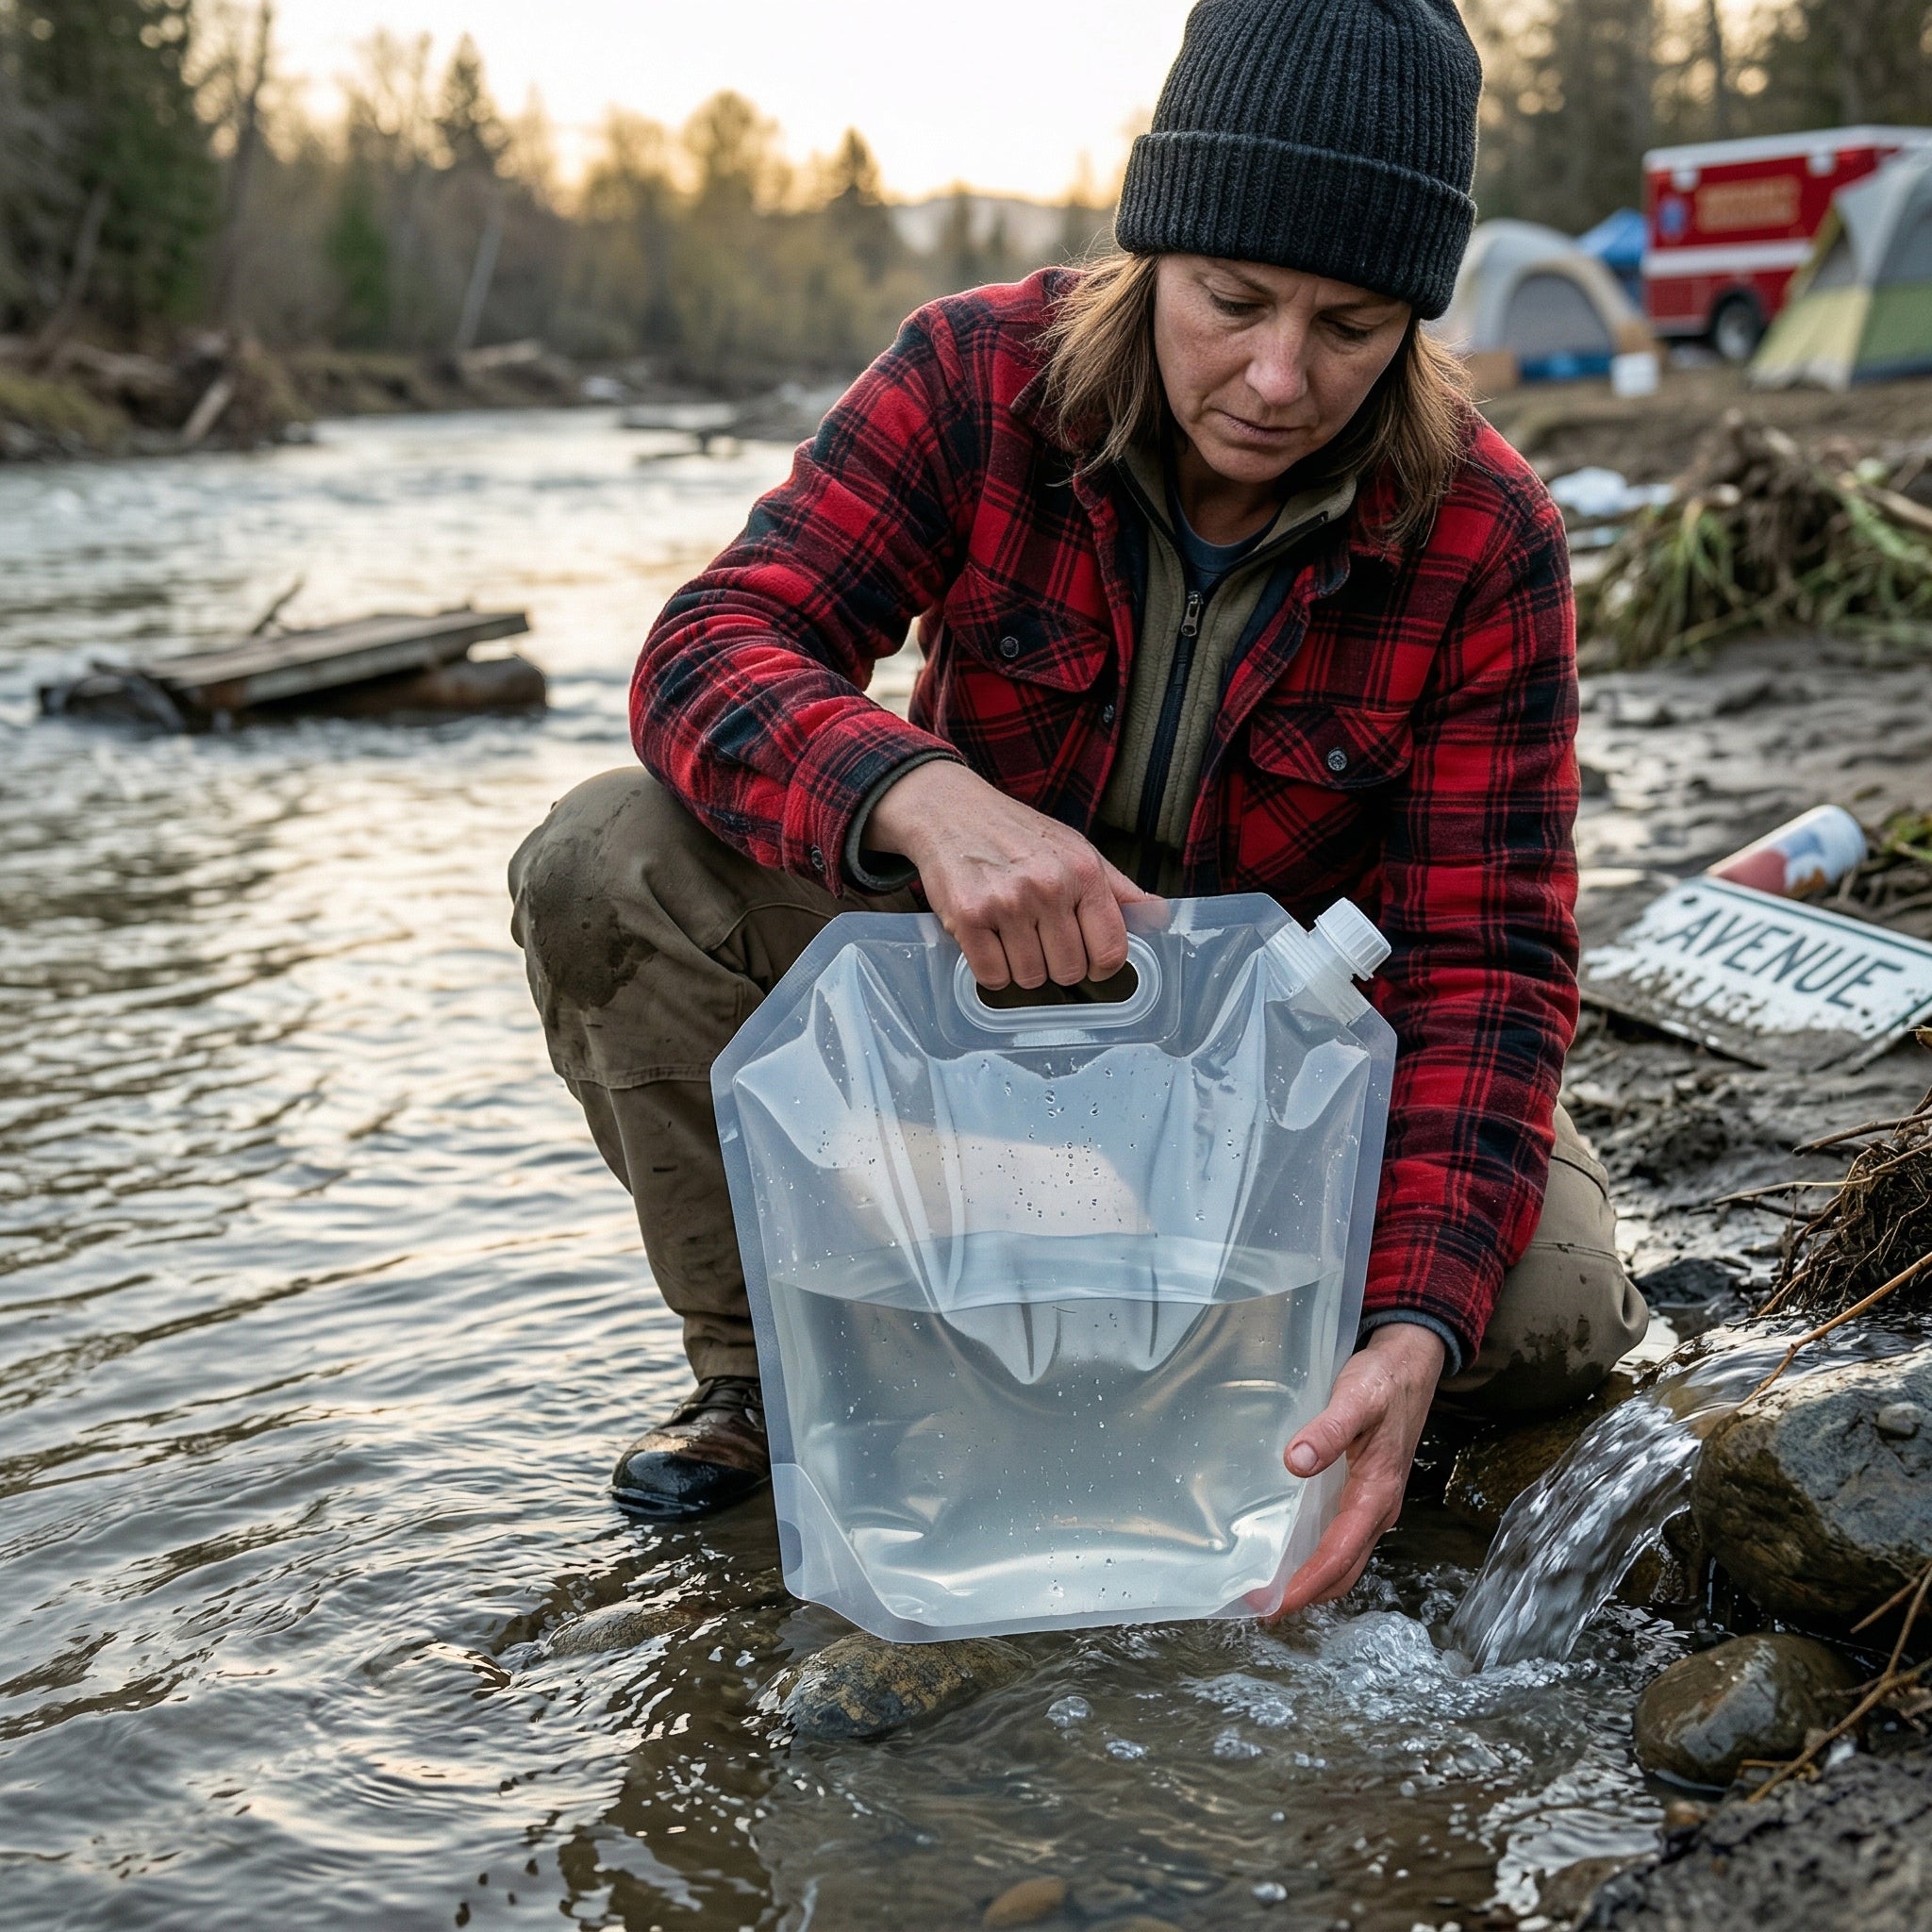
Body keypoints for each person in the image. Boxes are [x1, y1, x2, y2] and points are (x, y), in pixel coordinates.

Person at [509, 0, 1647, 1615]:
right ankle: (773, 1376)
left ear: (1416, 319)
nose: (1274, 377)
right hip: (967, 1037)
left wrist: (1409, 1327)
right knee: (601, 861)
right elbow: (709, 650)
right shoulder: (977, 378)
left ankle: (1267, 1376)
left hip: (1264, 1105)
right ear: (1151, 253)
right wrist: (915, 791)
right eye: (1233, 301)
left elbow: (1487, 962)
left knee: (1539, 1312)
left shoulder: (1488, 537)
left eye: (1350, 326)